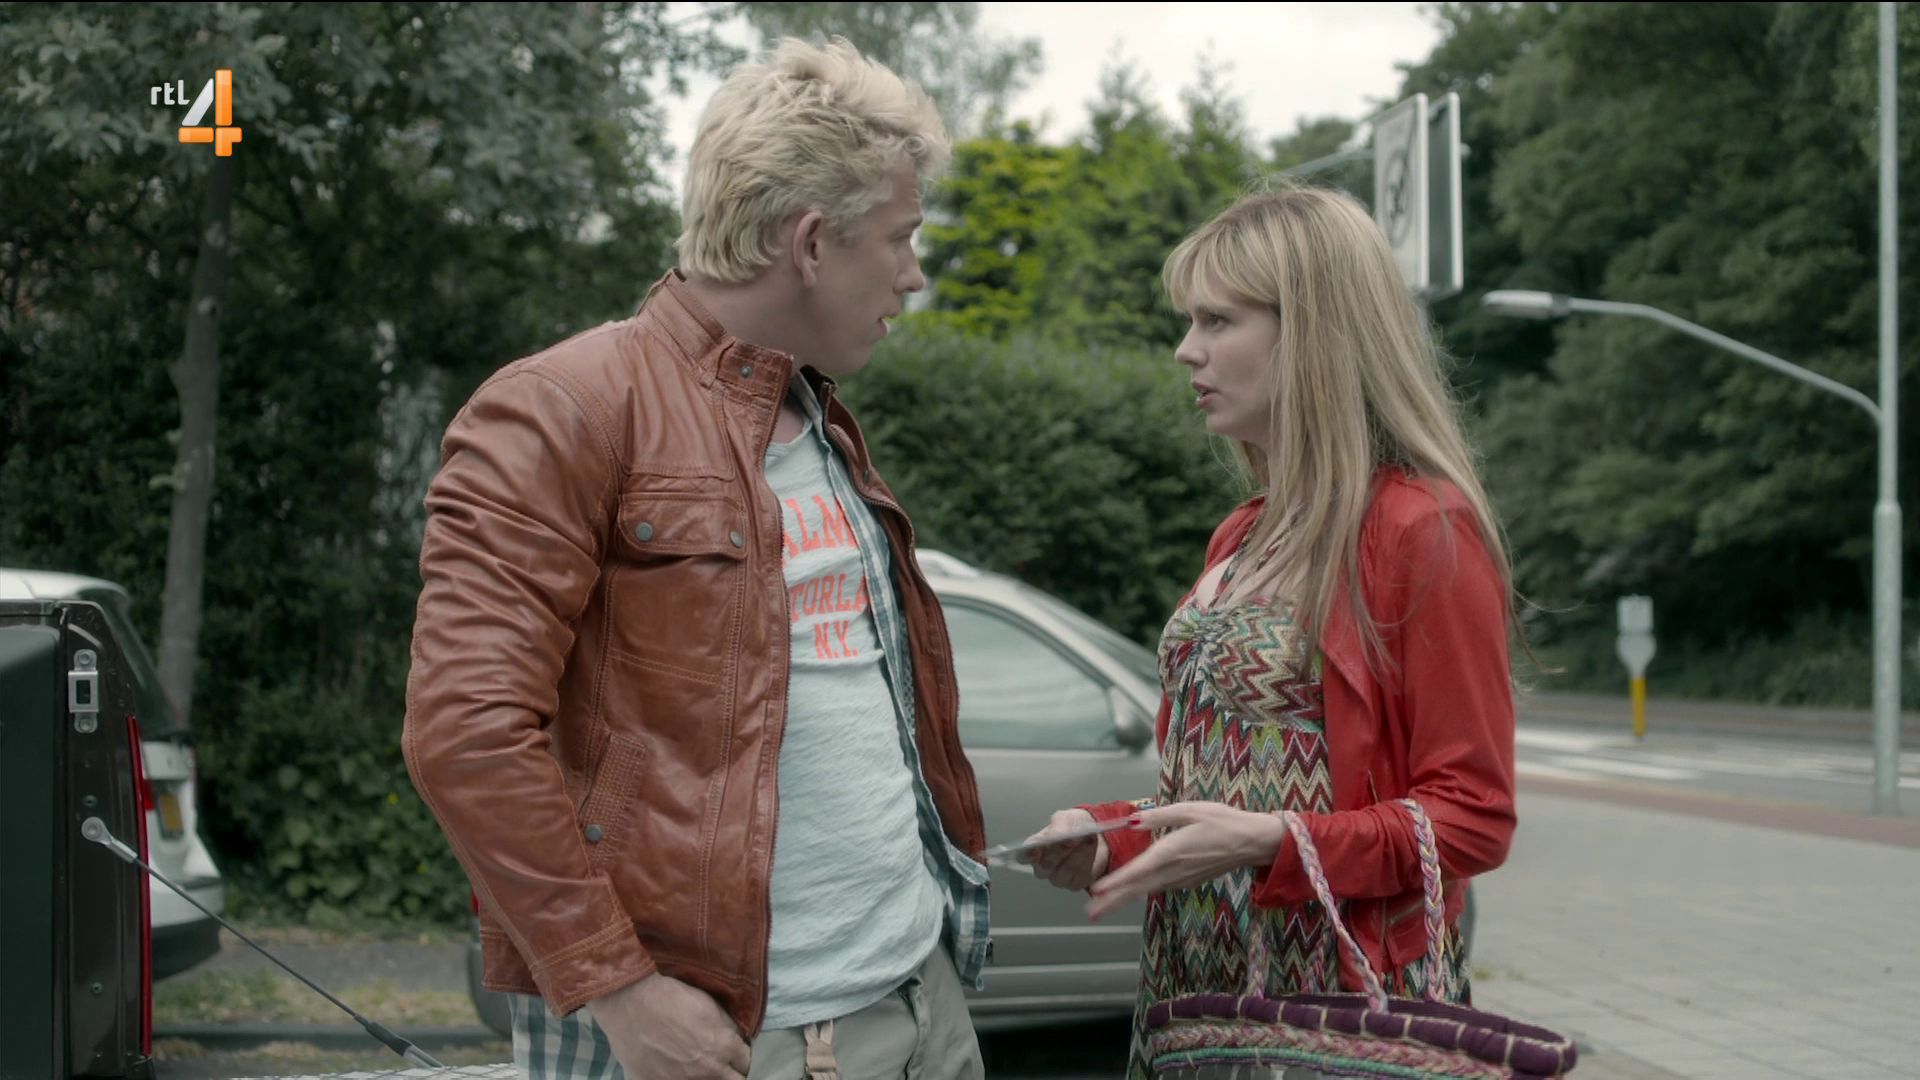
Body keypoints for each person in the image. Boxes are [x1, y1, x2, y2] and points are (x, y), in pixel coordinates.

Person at [403, 37, 990, 1080]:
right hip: (719, 1041)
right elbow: (466, 732)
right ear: (812, 243)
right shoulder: (563, 407)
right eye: (900, 239)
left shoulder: (814, 414)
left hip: (916, 1002)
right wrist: (619, 989)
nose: (913, 273)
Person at [1022, 185, 1519, 1079]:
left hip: (1339, 1014)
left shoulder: (1419, 528)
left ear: (1315, 333)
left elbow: (1473, 821)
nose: (1187, 349)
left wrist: (1275, 844)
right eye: (1191, 321)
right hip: (1199, 996)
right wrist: (1110, 836)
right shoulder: (1244, 532)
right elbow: (1227, 788)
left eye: (1217, 320)